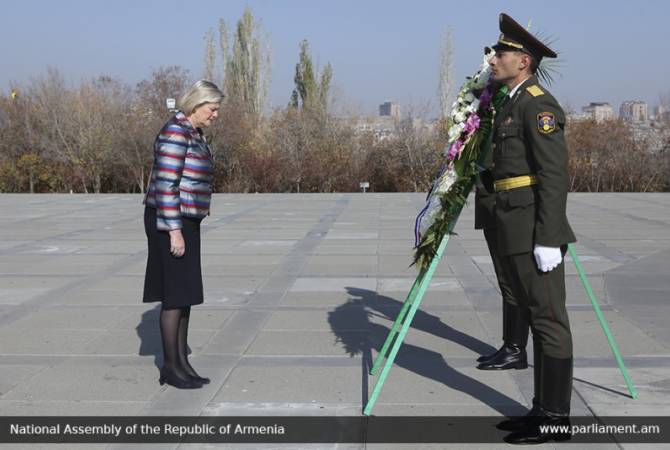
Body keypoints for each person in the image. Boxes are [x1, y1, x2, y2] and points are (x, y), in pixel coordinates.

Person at [487, 14, 576, 444]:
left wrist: (549, 237)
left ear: (522, 60)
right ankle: (541, 409)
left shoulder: (537, 104)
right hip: (511, 220)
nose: (492, 58)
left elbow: (554, 174)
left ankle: (556, 417)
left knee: (548, 319)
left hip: (531, 227)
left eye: (499, 53)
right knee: (536, 316)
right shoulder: (511, 102)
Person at [142, 80, 223, 389]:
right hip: (169, 221)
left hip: (187, 218)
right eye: (212, 109)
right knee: (175, 296)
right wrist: (175, 231)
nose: (215, 114)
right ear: (196, 105)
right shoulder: (176, 132)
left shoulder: (193, 133)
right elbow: (166, 185)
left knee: (185, 294)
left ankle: (182, 363)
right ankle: (170, 367)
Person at [474, 123, 530, 371]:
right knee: (506, 280)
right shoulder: (486, 107)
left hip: (509, 206)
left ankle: (515, 349)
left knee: (516, 282)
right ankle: (511, 346)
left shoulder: (518, 108)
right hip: (492, 203)